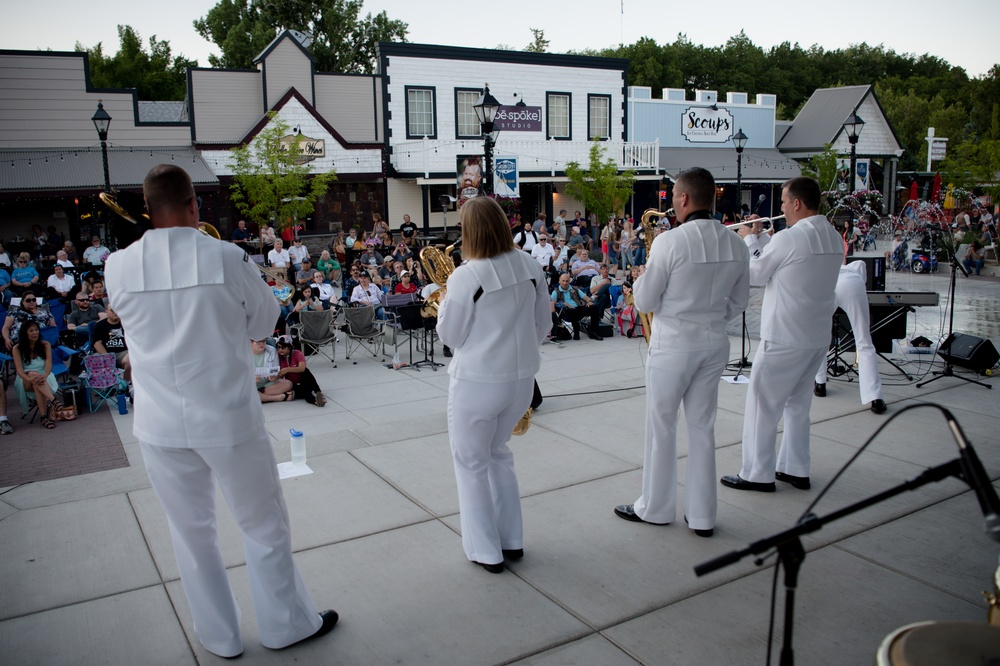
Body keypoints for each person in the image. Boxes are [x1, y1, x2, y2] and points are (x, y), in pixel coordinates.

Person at [104, 164, 336, 658]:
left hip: (160, 423)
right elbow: (264, 318)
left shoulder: (117, 266)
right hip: (227, 416)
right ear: (194, 205)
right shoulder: (226, 257)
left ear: (149, 209)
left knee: (191, 535)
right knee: (262, 526)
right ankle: (284, 626)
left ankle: (219, 638)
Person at [613, 167, 749, 536]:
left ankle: (656, 508)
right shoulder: (736, 242)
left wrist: (642, 278)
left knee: (662, 425)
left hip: (674, 343)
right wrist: (707, 317)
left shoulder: (670, 242)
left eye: (673, 195)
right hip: (714, 341)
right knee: (703, 427)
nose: (671, 201)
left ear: (685, 199)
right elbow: (739, 302)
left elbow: (645, 298)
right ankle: (703, 516)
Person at [436, 196, 550, 574]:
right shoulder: (532, 265)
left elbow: (450, 335)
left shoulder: (466, 275)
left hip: (477, 382)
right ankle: (511, 539)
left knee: (470, 463)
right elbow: (543, 326)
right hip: (520, 381)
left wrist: (441, 305)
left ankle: (486, 550)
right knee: (499, 453)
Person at [722, 176, 844, 493]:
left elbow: (757, 274)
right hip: (815, 336)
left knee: (763, 405)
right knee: (798, 405)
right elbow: (789, 266)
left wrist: (749, 239)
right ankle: (794, 468)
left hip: (784, 337)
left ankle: (757, 473)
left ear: (797, 204)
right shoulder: (832, 236)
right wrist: (762, 242)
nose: (782, 208)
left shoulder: (791, 237)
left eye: (784, 202)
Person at [813, 260, 887, 414]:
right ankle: (875, 398)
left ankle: (820, 384)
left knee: (820, 337)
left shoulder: (833, 265)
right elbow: (862, 283)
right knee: (864, 342)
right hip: (852, 286)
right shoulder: (858, 267)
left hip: (828, 284)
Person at [12, 321, 62, 429]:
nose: (35, 333)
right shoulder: (17, 349)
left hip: (44, 376)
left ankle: (44, 417)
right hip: (24, 379)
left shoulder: (45, 345)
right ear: (25, 333)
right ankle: (54, 401)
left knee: (37, 381)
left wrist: (44, 375)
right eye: (31, 331)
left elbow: (48, 365)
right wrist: (30, 379)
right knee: (33, 375)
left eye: (36, 330)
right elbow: (20, 371)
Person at [551, 272, 603, 341]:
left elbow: (585, 297)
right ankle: (576, 332)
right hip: (566, 312)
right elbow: (553, 304)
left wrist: (589, 301)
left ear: (569, 281)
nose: (565, 283)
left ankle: (594, 332)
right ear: (559, 281)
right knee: (572, 311)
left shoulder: (574, 289)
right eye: (563, 281)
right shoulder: (556, 292)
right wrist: (563, 303)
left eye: (567, 281)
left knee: (594, 307)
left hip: (578, 308)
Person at [275, 337, 326, 406]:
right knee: (305, 392)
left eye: (283, 347)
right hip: (291, 383)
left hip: (302, 379)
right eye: (278, 347)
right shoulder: (278, 356)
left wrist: (287, 369)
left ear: (289, 347)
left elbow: (302, 368)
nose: (280, 350)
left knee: (306, 372)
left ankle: (318, 391)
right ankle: (316, 401)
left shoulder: (297, 353)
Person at [92, 304, 131, 383]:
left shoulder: (126, 324)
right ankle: (104, 386)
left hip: (122, 352)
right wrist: (107, 356)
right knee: (94, 359)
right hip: (105, 352)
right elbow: (97, 343)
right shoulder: (100, 325)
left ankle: (125, 382)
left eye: (117, 310)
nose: (115, 313)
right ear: (106, 311)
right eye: (112, 310)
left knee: (130, 359)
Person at [251, 337, 295, 402]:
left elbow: (275, 369)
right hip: (249, 386)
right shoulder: (242, 353)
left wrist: (274, 376)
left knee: (288, 384)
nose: (261, 344)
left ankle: (259, 395)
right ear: (250, 342)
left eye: (264, 341)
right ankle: (277, 397)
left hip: (266, 385)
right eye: (258, 342)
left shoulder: (271, 350)